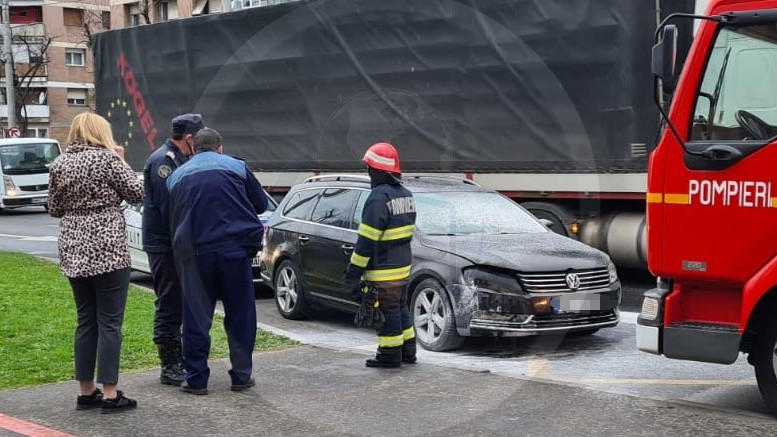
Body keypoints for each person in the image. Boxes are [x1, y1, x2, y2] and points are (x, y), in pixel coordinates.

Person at [48, 112, 144, 413]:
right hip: (108, 249)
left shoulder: (59, 163)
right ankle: (111, 394)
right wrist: (123, 160)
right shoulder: (109, 160)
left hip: (73, 248)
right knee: (110, 322)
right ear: (101, 133)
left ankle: (86, 392)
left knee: (86, 320)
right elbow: (137, 192)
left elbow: (53, 208)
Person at [166, 127, 268, 395]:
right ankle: (241, 376)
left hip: (195, 256)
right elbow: (259, 204)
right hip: (234, 252)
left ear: (193, 149)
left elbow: (171, 215)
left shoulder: (176, 176)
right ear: (219, 147)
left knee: (196, 318)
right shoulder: (237, 167)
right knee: (240, 315)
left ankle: (196, 379)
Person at [141, 113, 204, 386]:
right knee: (169, 302)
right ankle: (169, 363)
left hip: (177, 244)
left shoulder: (181, 159)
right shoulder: (162, 163)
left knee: (182, 301)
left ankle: (182, 358)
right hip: (165, 246)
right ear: (189, 138)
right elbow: (172, 210)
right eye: (198, 139)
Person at [344, 142, 417, 368]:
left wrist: (353, 273)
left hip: (384, 272)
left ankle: (389, 355)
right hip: (403, 268)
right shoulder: (406, 195)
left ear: (377, 171)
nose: (367, 172)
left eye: (369, 168)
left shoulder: (378, 198)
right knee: (400, 308)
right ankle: (408, 352)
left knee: (387, 312)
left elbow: (367, 241)